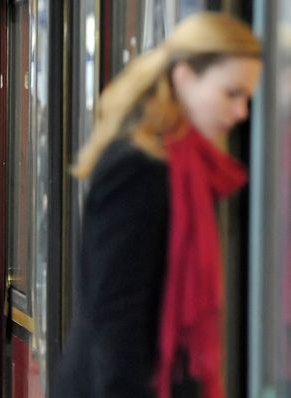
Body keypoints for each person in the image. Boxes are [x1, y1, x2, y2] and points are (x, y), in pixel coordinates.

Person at [53, 12, 262, 398]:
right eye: (232, 93)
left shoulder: (191, 171)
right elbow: (117, 317)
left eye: (247, 97)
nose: (241, 112)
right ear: (183, 76)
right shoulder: (138, 167)